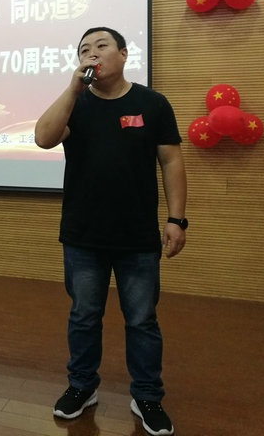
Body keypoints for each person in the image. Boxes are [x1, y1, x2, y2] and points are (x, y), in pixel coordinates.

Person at [34, 27, 187, 436]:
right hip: (83, 236)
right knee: (84, 317)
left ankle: (147, 396)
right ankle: (82, 387)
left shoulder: (152, 103)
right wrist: (72, 90)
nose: (92, 53)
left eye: (101, 46)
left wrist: (176, 219)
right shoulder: (76, 104)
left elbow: (171, 161)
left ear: (122, 54)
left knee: (142, 320)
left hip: (137, 237)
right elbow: (43, 138)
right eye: (84, 50)